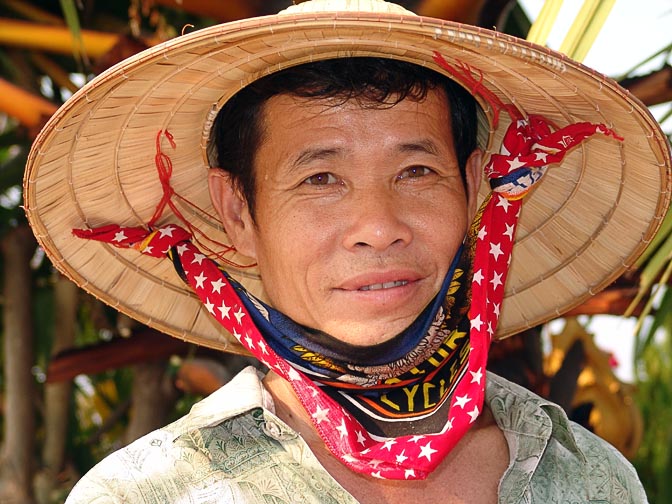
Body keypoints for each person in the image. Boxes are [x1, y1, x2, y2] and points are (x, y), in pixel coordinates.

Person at [23, 0, 670, 502]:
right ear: (238, 214)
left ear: (474, 190)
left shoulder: (589, 478)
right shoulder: (146, 494)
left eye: (416, 171)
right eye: (320, 179)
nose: (378, 226)